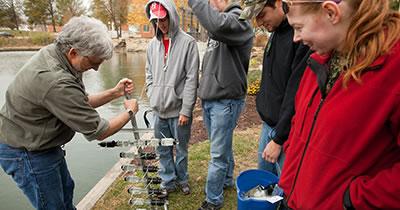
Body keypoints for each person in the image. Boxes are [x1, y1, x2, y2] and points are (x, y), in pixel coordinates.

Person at [0, 16, 139, 210]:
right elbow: (100, 131)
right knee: (53, 206)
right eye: (94, 62)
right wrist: (131, 111)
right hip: (25, 151)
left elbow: (79, 102)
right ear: (74, 52)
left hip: (42, 143)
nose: (97, 68)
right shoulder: (55, 79)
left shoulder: (61, 56)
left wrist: (113, 93)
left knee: (66, 192)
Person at [278, 0, 400, 209]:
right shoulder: (320, 60)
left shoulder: (393, 67)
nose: (296, 38)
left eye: (299, 28)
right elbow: (300, 122)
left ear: (331, 13)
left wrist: (354, 200)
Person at [188, 0, 254, 209]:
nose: (209, 4)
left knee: (217, 154)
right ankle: (226, 181)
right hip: (212, 99)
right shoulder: (221, 24)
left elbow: (217, 25)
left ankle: (213, 200)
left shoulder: (240, 21)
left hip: (225, 100)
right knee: (222, 146)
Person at [240, 0, 310, 175]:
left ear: (279, 3)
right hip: (268, 126)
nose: (260, 23)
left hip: (285, 133)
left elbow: (296, 93)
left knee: (283, 190)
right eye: (256, 18)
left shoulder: (299, 38)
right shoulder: (276, 32)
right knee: (264, 184)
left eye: (262, 14)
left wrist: (278, 139)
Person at [144, 0, 199, 195]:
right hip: (159, 111)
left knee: (181, 149)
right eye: (156, 20)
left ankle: (182, 178)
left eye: (163, 18)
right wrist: (152, 95)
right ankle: (168, 181)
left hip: (179, 112)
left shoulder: (188, 43)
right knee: (163, 150)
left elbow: (192, 79)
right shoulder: (151, 45)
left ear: (171, 15)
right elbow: (148, 74)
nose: (161, 24)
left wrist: (186, 109)